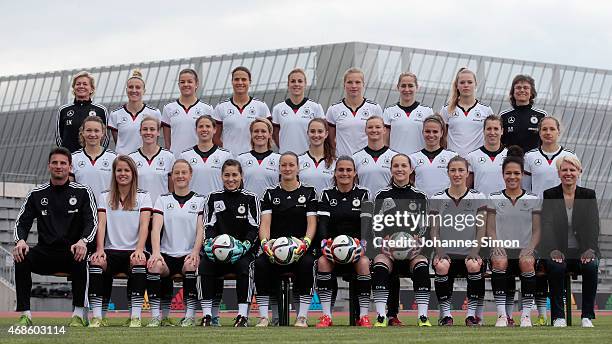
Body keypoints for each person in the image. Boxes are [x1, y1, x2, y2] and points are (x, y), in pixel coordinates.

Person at [13, 147, 97, 327]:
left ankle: (78, 313)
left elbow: (92, 222)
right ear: (49, 166)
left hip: (72, 251)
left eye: (63, 163)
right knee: (20, 257)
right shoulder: (37, 193)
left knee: (82, 256)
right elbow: (22, 222)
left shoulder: (83, 192)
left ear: (70, 167)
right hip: (46, 252)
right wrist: (20, 240)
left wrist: (83, 241)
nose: (59, 167)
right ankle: (25, 314)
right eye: (55, 163)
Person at [88, 155, 152, 328]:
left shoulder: (144, 196)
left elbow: (144, 226)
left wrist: (139, 249)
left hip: (134, 249)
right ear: (114, 173)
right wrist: (100, 249)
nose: (122, 173)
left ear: (133, 173)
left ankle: (135, 317)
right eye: (119, 170)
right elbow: (101, 225)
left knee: (139, 261)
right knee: (96, 261)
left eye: (126, 170)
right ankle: (97, 316)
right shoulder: (104, 196)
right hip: (110, 249)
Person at [255, 152, 317, 327]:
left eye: (291, 165)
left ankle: (302, 317)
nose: (287, 168)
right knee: (260, 264)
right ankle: (263, 317)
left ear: (298, 167)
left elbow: (311, 223)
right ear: (279, 168)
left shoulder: (309, 192)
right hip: (275, 250)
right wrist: (265, 244)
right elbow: (265, 224)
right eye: (284, 165)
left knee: (307, 264)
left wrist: (305, 243)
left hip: (299, 249)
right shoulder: (270, 193)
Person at [370, 154, 432, 327]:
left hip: (412, 252)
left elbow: (425, 227)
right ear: (391, 170)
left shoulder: (420, 196)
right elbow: (375, 225)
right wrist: (384, 242)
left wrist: (418, 242)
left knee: (421, 265)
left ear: (411, 169)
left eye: (404, 166)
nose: (400, 169)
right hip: (388, 251)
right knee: (380, 265)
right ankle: (382, 316)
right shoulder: (381, 195)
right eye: (396, 166)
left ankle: (422, 316)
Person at [200, 159, 260, 327]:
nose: (230, 179)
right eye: (227, 175)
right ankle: (207, 316)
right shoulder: (213, 197)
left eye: (235, 175)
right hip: (218, 251)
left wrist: (244, 246)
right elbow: (208, 225)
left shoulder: (251, 198)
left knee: (245, 266)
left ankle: (242, 316)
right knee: (204, 265)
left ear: (241, 176)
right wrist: (209, 244)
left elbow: (254, 227)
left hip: (242, 252)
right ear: (221, 176)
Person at [541, 156, 599, 327]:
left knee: (591, 265)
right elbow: (547, 223)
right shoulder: (550, 194)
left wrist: (590, 249)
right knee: (556, 267)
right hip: (558, 250)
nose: (568, 173)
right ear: (559, 173)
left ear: (579, 172)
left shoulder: (589, 195)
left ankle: (587, 316)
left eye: (572, 170)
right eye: (564, 170)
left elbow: (593, 224)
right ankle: (558, 317)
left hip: (582, 250)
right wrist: (552, 249)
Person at [487, 146, 541, 327]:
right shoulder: (494, 198)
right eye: (508, 173)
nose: (512, 177)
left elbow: (537, 230)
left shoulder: (533, 199)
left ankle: (526, 315)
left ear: (523, 175)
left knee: (526, 262)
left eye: (516, 173)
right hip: (503, 247)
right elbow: (491, 228)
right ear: (503, 174)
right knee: (500, 261)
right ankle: (502, 315)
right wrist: (496, 245)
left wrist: (530, 248)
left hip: (525, 247)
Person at [429, 156, 487, 326]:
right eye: (453, 170)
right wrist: (440, 252)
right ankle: (446, 315)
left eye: (461, 170)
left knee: (474, 265)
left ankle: (471, 315)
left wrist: (475, 252)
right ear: (447, 173)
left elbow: (481, 229)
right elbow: (434, 230)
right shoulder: (438, 198)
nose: (457, 174)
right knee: (441, 265)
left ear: (468, 172)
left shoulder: (478, 196)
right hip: (446, 252)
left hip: (469, 252)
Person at [315, 156, 372, 327]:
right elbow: (322, 225)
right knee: (322, 262)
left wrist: (362, 246)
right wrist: (325, 245)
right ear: (335, 172)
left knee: (364, 263)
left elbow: (367, 225)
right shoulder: (326, 194)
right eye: (341, 170)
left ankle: (363, 316)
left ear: (355, 173)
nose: (344, 173)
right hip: (333, 249)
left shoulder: (364, 193)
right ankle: (327, 316)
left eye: (348, 170)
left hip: (356, 250)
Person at [146, 159, 204, 327]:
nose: (180, 176)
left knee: (192, 266)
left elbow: (201, 229)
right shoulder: (163, 200)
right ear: (171, 176)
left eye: (184, 172)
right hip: (166, 253)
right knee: (154, 265)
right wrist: (156, 253)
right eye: (176, 173)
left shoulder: (200, 200)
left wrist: (195, 252)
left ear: (190, 175)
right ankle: (156, 316)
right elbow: (155, 229)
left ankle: (190, 316)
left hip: (189, 253)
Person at [213, 66, 271, 155]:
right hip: (230, 162)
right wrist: (227, 151)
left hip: (253, 160)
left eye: (244, 79)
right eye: (236, 79)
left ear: (250, 82)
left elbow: (269, 134)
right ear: (232, 82)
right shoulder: (221, 107)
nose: (240, 82)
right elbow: (214, 137)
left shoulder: (261, 106)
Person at [326, 67, 383, 157]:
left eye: (357, 82)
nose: (353, 86)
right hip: (343, 163)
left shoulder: (374, 108)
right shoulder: (334, 109)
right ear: (344, 84)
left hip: (367, 161)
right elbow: (330, 140)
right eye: (349, 82)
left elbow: (380, 138)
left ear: (363, 84)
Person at [439, 68, 493, 157]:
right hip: (453, 164)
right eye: (462, 82)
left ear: (476, 85)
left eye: (470, 82)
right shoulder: (446, 110)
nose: (466, 85)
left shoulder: (486, 110)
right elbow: (441, 138)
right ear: (457, 85)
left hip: (477, 163)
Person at [161, 68, 214, 157]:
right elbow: (167, 142)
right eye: (182, 82)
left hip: (199, 159)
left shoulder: (207, 109)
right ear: (178, 85)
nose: (186, 85)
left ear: (196, 84)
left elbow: (211, 138)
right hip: (177, 160)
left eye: (189, 81)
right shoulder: (168, 108)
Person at [108, 70, 162, 155]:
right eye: (130, 87)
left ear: (144, 90)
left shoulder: (154, 113)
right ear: (126, 90)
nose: (134, 90)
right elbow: (118, 142)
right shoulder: (115, 114)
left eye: (138, 87)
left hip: (145, 160)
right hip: (123, 162)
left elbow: (154, 140)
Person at [524, 116, 579, 198]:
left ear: (558, 132)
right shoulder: (529, 157)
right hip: (538, 208)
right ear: (539, 132)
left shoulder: (570, 156)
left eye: (552, 129)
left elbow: (577, 187)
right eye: (544, 129)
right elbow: (525, 188)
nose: (548, 132)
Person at [272, 68, 325, 153]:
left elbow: (323, 134)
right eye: (293, 81)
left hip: (309, 158)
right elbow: (275, 134)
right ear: (288, 84)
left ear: (305, 84)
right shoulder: (278, 109)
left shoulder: (316, 107)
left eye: (300, 81)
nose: (296, 84)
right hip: (287, 160)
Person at [179, 115, 232, 197]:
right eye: (200, 126)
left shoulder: (226, 155)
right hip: (193, 205)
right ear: (196, 130)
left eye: (208, 126)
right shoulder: (185, 156)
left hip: (217, 204)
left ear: (214, 130)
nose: (204, 129)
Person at [56, 71, 109, 153]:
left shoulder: (101, 110)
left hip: (93, 158)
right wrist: (66, 155)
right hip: (70, 159)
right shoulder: (63, 110)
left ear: (91, 89)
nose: (81, 86)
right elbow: (59, 137)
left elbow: (105, 137)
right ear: (74, 88)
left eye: (85, 84)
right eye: (78, 84)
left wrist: (98, 155)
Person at [383, 72, 434, 154]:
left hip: (419, 162)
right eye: (403, 86)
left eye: (410, 86)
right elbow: (385, 142)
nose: (407, 89)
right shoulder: (389, 111)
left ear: (417, 87)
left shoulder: (427, 111)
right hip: (397, 163)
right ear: (398, 87)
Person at [70, 116, 117, 204]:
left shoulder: (114, 158)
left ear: (102, 133)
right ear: (82, 133)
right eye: (88, 130)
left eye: (96, 131)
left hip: (107, 209)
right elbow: (69, 188)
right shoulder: (73, 158)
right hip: (83, 211)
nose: (92, 134)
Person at [128, 116, 175, 204]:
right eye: (145, 129)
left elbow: (172, 189)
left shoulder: (169, 157)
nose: (148, 132)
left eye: (152, 129)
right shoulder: (131, 158)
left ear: (158, 132)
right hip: (139, 209)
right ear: (140, 132)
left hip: (161, 210)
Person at [409, 115, 458, 197]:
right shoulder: (413, 158)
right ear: (422, 132)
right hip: (422, 204)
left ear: (441, 133)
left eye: (435, 132)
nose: (431, 135)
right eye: (427, 131)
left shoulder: (452, 156)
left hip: (445, 204)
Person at [500, 75, 547, 152]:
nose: (522, 90)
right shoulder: (504, 115)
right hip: (511, 161)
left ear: (531, 92)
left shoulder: (542, 115)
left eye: (526, 88)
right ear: (513, 92)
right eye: (518, 87)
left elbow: (546, 141)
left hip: (534, 161)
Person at [353, 116, 397, 197]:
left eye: (378, 127)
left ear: (384, 130)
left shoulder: (394, 157)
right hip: (365, 204)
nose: (374, 130)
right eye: (370, 127)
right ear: (365, 130)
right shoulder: (356, 158)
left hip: (388, 204)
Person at [236, 118, 281, 197]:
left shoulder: (279, 159)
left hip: (271, 206)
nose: (259, 134)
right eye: (256, 131)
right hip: (247, 206)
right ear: (251, 134)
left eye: (263, 131)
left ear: (270, 134)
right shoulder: (241, 159)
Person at [466, 115, 507, 195]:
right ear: (483, 131)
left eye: (496, 129)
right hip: (480, 205)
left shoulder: (509, 156)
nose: (492, 133)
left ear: (502, 131)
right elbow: (466, 189)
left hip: (503, 205)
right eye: (489, 129)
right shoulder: (472, 157)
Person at [298, 118, 336, 196]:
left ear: (326, 134)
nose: (316, 135)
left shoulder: (335, 162)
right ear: (307, 133)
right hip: (304, 206)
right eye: (312, 131)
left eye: (320, 131)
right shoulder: (298, 161)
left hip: (326, 207)